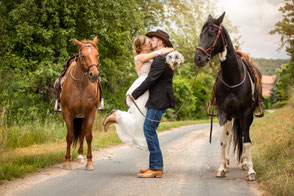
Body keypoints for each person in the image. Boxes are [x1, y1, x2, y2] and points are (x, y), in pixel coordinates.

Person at [103, 34, 174, 150]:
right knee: (140, 118)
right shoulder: (139, 57)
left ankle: (121, 119)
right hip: (142, 86)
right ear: (143, 46)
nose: (150, 43)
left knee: (142, 119)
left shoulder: (149, 56)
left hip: (148, 86)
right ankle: (117, 116)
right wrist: (169, 49)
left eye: (151, 41)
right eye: (148, 42)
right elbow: (157, 54)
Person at [130, 30, 175, 178]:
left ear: (160, 42)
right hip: (157, 98)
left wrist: (134, 94)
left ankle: (155, 167)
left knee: (149, 130)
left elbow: (151, 80)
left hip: (158, 99)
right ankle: (155, 166)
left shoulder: (161, 59)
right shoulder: (162, 56)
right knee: (150, 130)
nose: (151, 42)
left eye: (153, 40)